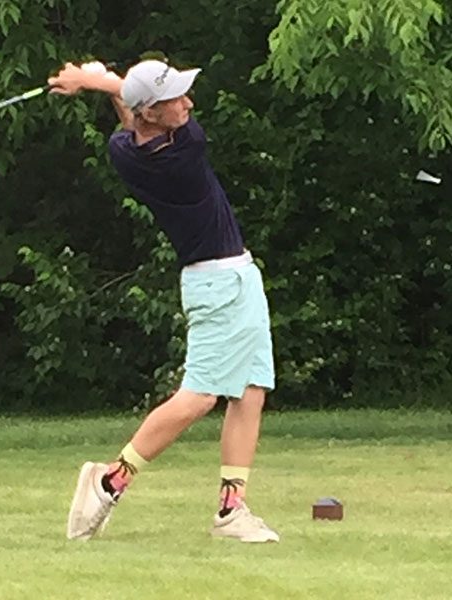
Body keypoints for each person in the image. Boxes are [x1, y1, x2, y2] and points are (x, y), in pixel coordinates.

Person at [48, 59, 279, 543]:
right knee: (199, 398)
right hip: (220, 284)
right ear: (151, 113)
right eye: (176, 99)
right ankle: (109, 481)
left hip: (232, 276)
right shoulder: (187, 150)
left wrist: (97, 84)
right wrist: (95, 79)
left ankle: (231, 509)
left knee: (251, 388)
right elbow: (127, 100)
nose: (188, 104)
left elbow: (129, 115)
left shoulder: (122, 150)